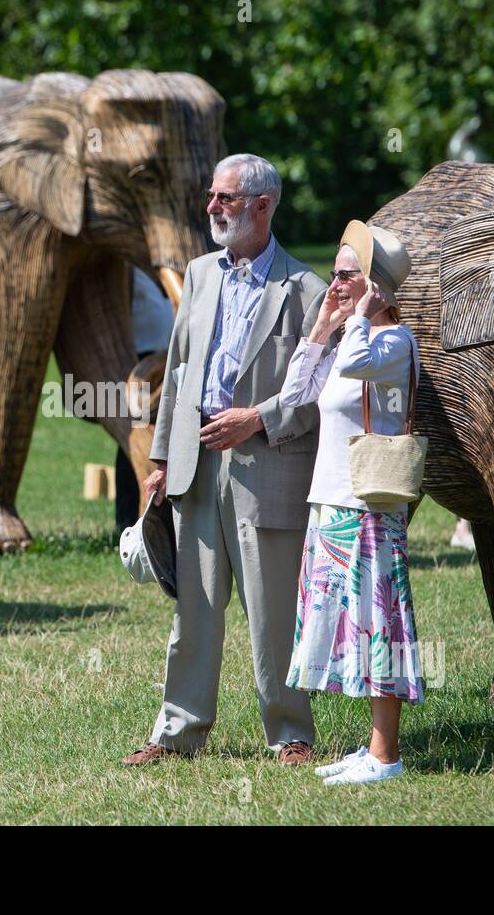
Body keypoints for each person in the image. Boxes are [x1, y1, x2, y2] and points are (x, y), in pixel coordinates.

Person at [120, 153, 332, 767]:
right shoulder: (200, 273)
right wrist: (161, 458)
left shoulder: (306, 291)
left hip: (268, 467)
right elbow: (179, 373)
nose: (212, 208)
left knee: (272, 613)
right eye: (212, 196)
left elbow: (319, 395)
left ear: (263, 207)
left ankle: (291, 733)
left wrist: (257, 419)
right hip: (195, 467)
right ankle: (177, 733)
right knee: (195, 610)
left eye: (226, 199)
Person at [278, 220, 424, 785]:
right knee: (351, 626)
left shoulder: (391, 341)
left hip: (369, 505)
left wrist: (358, 318)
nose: (334, 284)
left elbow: (364, 367)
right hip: (333, 502)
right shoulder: (351, 336)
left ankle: (387, 756)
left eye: (347, 275)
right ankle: (372, 749)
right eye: (334, 274)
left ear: (376, 284)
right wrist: (322, 327)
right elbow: (295, 395)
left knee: (376, 624)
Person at [114, 267, 175, 534]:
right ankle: (127, 517)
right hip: (139, 362)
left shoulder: (166, 270)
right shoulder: (129, 271)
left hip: (168, 358)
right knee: (135, 437)